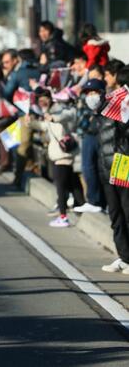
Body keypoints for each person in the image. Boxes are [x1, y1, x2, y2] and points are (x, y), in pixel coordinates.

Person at [28, 88, 84, 227]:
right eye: (39, 101)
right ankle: (81, 207)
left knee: (61, 186)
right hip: (58, 154)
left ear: (50, 98)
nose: (41, 103)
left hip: (63, 154)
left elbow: (68, 116)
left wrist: (54, 117)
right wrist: (31, 123)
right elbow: (45, 126)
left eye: (43, 100)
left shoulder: (60, 109)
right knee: (72, 184)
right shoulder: (49, 112)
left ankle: (63, 216)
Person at [95, 66, 129, 273]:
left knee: (127, 210)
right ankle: (124, 256)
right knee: (115, 212)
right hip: (106, 163)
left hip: (122, 162)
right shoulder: (109, 101)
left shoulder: (125, 104)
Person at [74, 79, 106, 213]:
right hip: (89, 136)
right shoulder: (86, 110)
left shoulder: (106, 111)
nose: (91, 96)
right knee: (88, 167)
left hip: (98, 139)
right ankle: (94, 200)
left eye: (94, 92)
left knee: (97, 168)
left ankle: (98, 201)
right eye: (88, 93)